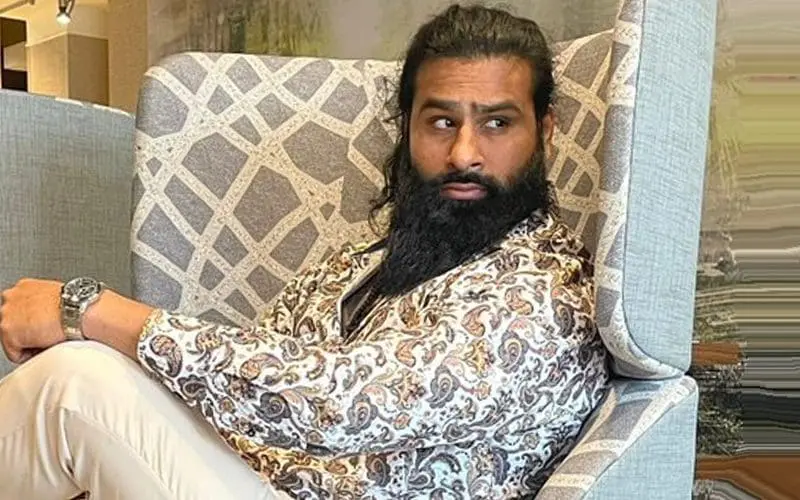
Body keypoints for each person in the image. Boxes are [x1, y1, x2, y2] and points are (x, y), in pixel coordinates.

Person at [0, 4, 609, 499]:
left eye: (497, 123)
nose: (465, 154)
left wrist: (89, 310)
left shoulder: (543, 295)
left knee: (77, 388)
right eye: (442, 122)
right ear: (408, 128)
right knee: (91, 373)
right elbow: (245, 380)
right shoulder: (365, 263)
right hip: (254, 477)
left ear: (544, 131)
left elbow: (342, 405)